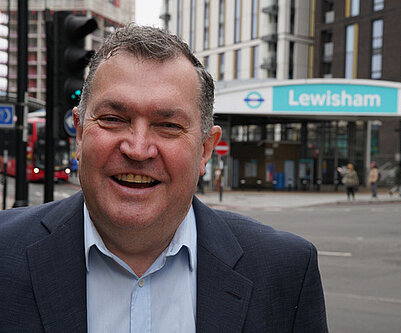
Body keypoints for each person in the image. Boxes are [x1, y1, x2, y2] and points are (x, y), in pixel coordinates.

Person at [0, 25, 327, 332]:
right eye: (113, 119)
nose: (138, 149)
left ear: (205, 150)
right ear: (80, 134)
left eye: (168, 126)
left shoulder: (285, 272)